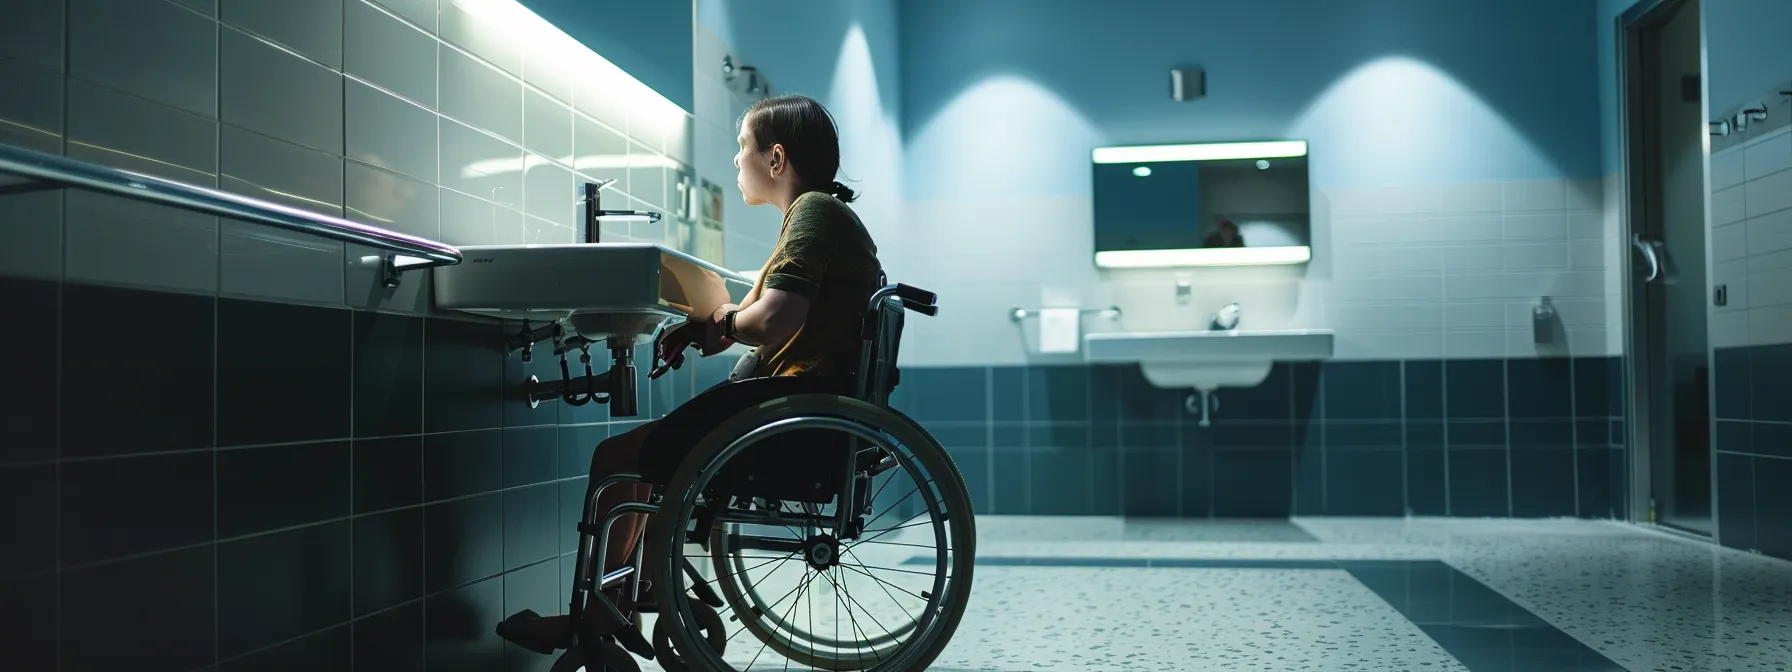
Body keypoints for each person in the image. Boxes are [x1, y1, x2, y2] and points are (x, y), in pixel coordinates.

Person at [497, 94, 883, 653]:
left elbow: (775, 319)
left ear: (775, 159)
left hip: (794, 405)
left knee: (615, 459)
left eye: (741, 147)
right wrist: (714, 326)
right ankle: (632, 595)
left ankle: (599, 617)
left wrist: (725, 322)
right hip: (804, 400)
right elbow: (771, 317)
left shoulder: (814, 212)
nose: (734, 161)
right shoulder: (820, 214)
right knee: (646, 459)